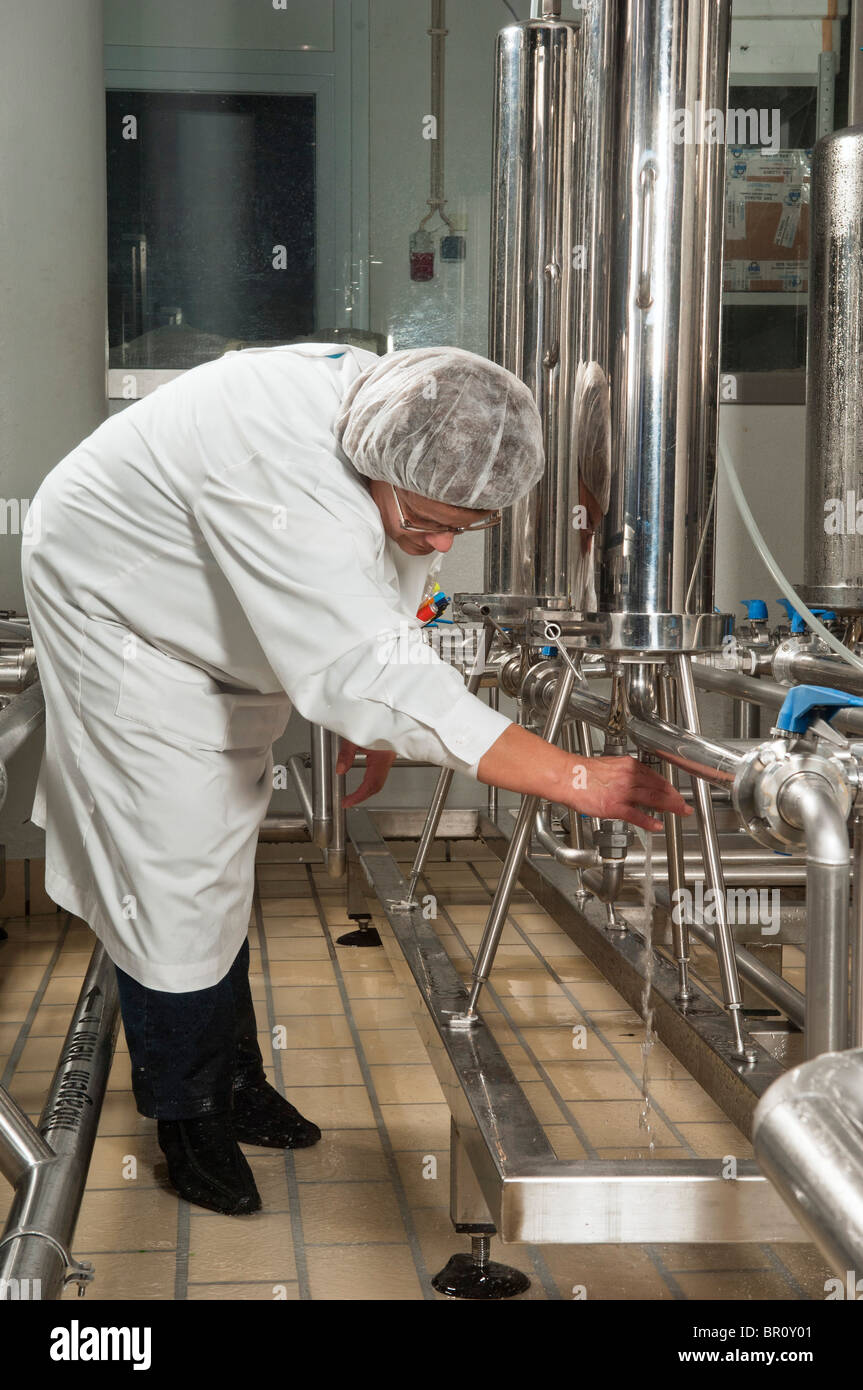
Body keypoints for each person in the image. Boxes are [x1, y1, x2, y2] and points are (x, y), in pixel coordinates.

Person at [21, 343, 689, 1215]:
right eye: (430, 520)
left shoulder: (400, 426)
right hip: (126, 619)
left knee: (216, 868)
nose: (443, 539)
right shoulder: (275, 459)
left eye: (469, 525)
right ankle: (188, 1120)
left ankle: (235, 1081)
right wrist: (568, 774)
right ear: (382, 470)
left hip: (207, 620)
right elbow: (362, 665)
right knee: (172, 869)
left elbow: (383, 602)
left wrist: (378, 725)